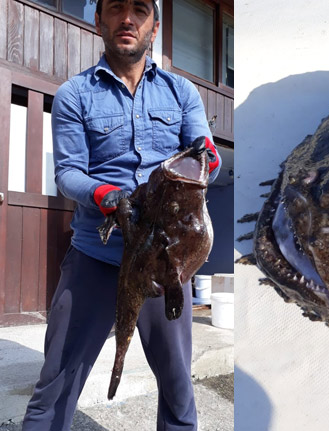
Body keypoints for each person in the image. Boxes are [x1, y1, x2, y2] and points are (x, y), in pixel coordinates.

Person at [21, 0, 221, 429]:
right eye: (115, 8)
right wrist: (104, 194)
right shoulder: (75, 94)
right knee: (57, 380)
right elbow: (68, 173)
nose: (127, 19)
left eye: (139, 10)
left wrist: (209, 160)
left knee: (177, 384)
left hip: (167, 266)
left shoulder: (181, 92)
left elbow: (204, 151)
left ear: (156, 25)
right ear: (98, 20)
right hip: (96, 255)